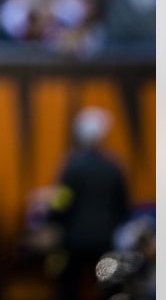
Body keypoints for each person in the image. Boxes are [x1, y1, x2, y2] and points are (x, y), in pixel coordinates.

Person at [51, 107, 130, 300]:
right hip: (106, 241)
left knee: (69, 289)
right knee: (111, 289)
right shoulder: (114, 167)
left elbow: (61, 201)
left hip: (74, 242)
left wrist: (54, 219)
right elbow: (123, 205)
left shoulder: (72, 166)